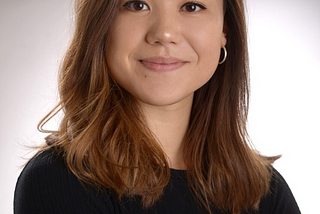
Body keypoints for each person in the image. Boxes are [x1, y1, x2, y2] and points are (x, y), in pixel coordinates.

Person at [14, 0, 301, 213]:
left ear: (224, 29)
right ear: (102, 23)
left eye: (191, 6)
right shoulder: (57, 182)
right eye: (137, 4)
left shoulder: (265, 193)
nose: (164, 33)